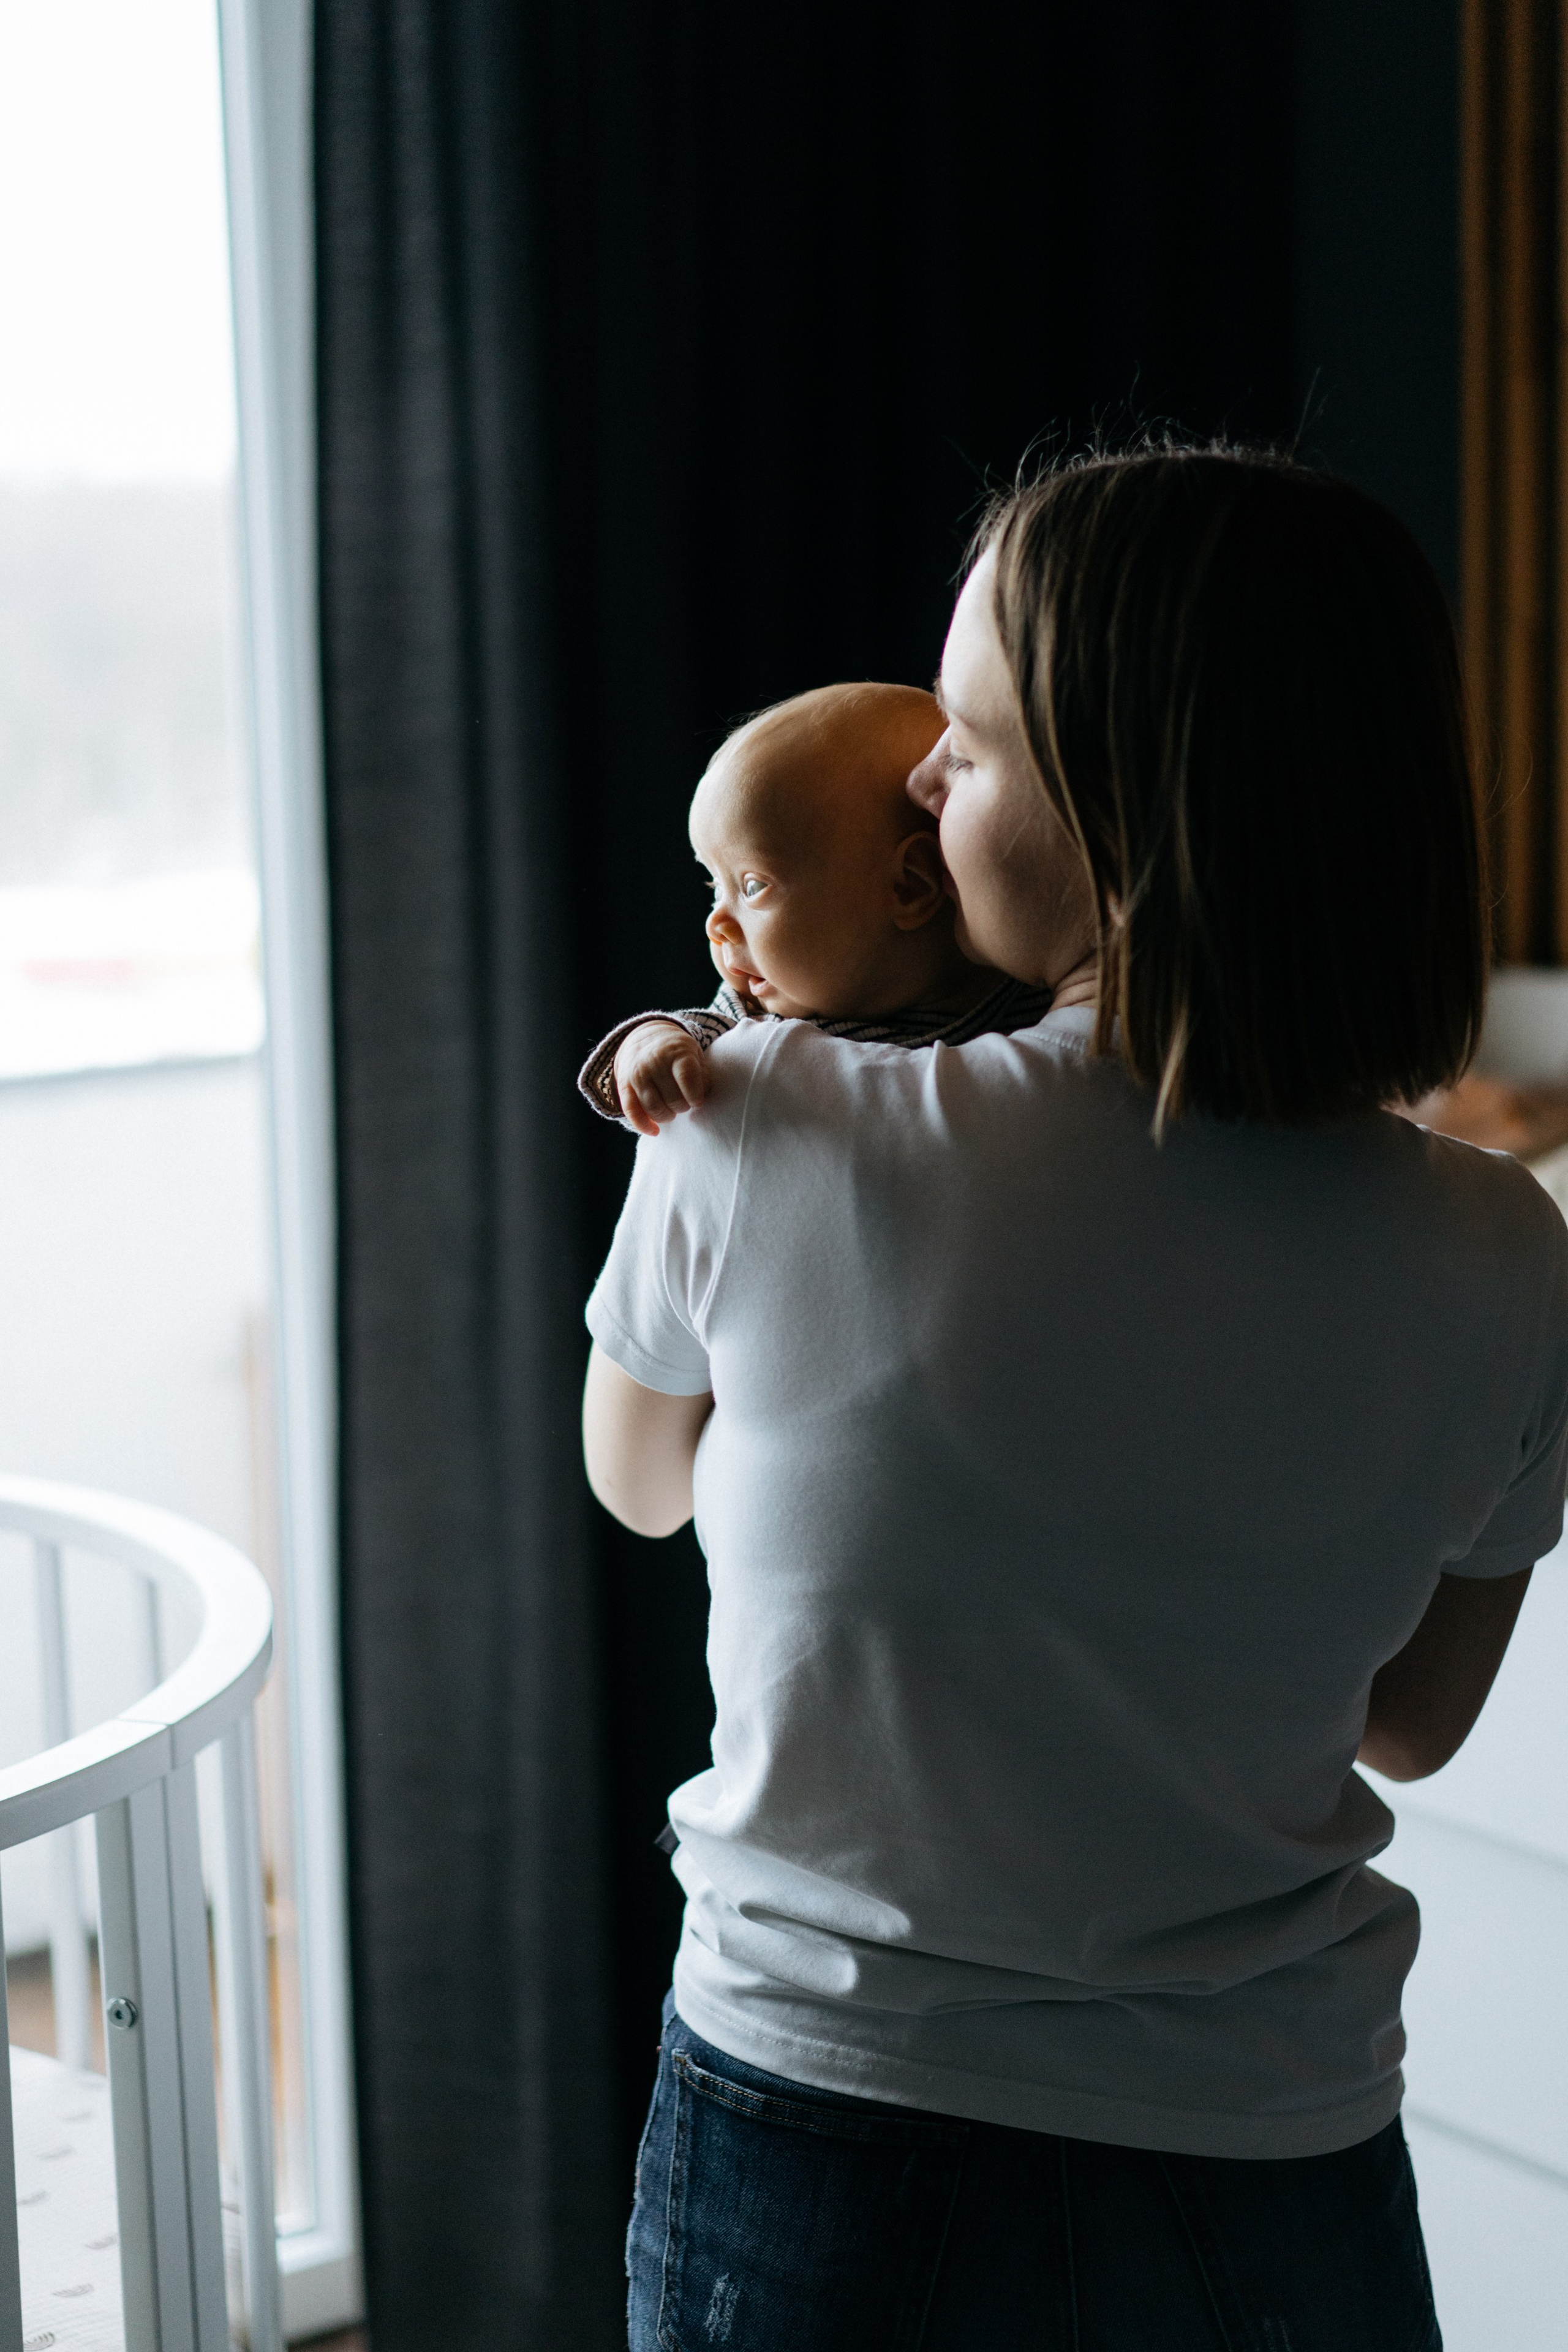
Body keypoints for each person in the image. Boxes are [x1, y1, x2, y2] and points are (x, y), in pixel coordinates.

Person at [582, 446, 1568, 2351]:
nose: (918, 781)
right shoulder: (1504, 1250)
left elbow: (638, 1481)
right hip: (1269, 2146)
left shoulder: (756, 1119)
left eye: (962, 738)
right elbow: (1413, 1724)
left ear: (1120, 797)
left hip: (832, 2103)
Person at [577, 679, 1050, 1133]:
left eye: (754, 886)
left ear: (909, 886)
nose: (716, 924)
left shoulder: (1028, 1000)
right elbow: (690, 1030)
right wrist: (651, 1045)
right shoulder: (751, 1017)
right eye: (714, 887)